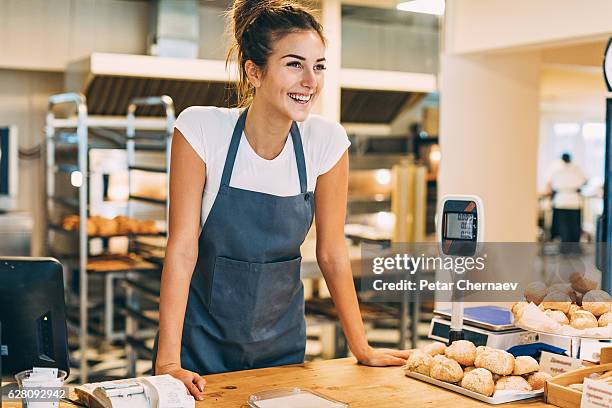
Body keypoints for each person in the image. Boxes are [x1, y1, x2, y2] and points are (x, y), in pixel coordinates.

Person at [153, 0, 410, 400]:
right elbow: (182, 248)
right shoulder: (201, 130)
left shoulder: (326, 142)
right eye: (294, 64)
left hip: (283, 348)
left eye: (319, 66)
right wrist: (168, 363)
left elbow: (332, 252)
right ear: (254, 72)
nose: (311, 80)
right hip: (200, 349)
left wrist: (362, 347)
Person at [546, 152, 586, 244]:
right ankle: (572, 248)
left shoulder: (556, 167)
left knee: (564, 226)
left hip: (563, 200)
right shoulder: (576, 168)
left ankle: (565, 248)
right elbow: (584, 181)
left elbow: (548, 182)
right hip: (572, 200)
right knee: (573, 226)